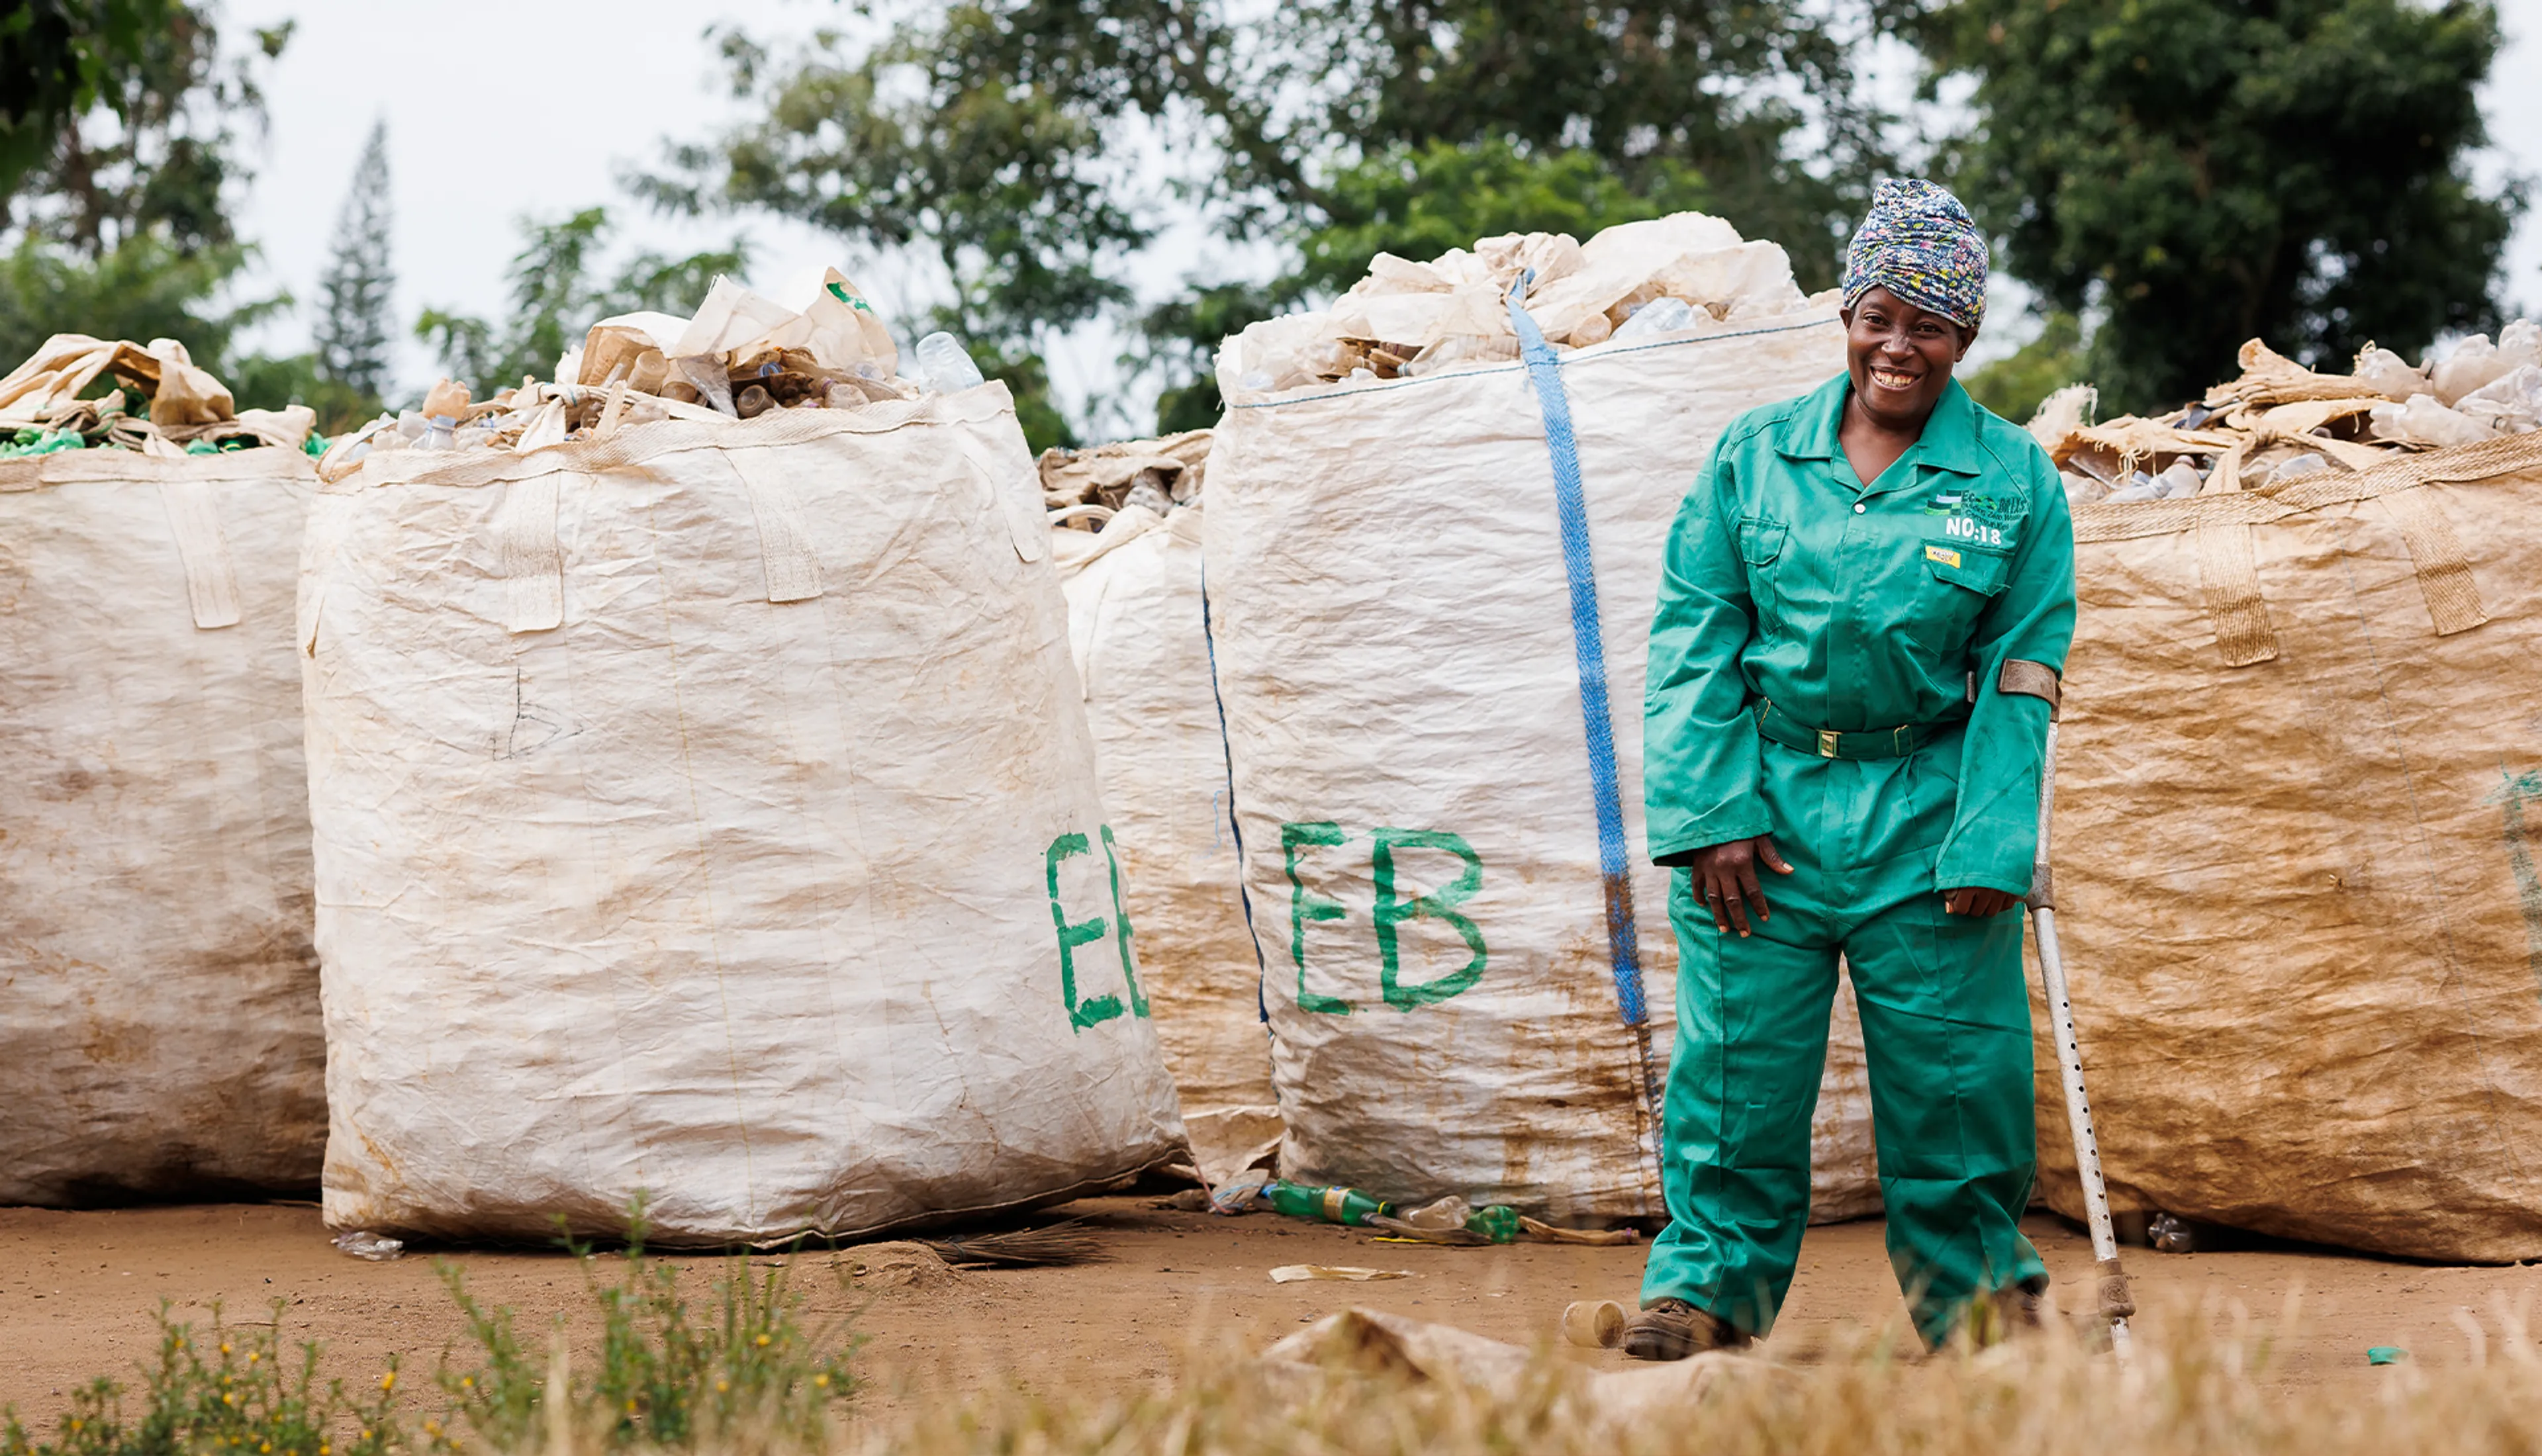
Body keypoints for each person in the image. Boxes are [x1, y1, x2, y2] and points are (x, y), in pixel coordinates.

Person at [1623, 179, 2077, 1358]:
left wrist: (1990, 841)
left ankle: (1982, 1307)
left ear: (1964, 338)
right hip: (1761, 814)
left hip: (1926, 816)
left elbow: (2024, 674)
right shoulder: (1754, 457)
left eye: (1929, 325)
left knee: (1957, 1084)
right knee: (1736, 1078)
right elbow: (1692, 641)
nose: (1899, 346)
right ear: (1848, 316)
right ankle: (1704, 1297)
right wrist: (1712, 815)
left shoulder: (2012, 479)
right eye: (1881, 315)